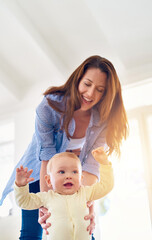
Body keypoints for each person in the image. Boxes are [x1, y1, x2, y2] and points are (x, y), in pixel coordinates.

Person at [0, 55, 128, 240]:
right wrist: (46, 202)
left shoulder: (104, 120)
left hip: (75, 178)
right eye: (87, 84)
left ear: (106, 93)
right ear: (78, 79)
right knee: (32, 233)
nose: (91, 94)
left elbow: (92, 165)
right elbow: (47, 156)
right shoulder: (50, 106)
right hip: (39, 173)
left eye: (100, 90)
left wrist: (85, 201)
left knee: (84, 226)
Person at [14, 148, 113, 240]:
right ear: (49, 180)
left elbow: (106, 186)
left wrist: (104, 164)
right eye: (62, 172)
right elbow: (24, 202)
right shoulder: (46, 197)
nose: (69, 176)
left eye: (74, 172)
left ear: (81, 178)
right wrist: (20, 186)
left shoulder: (84, 193)